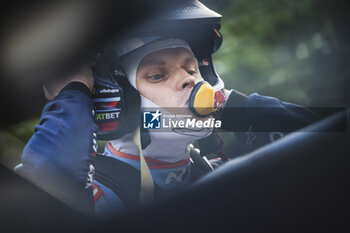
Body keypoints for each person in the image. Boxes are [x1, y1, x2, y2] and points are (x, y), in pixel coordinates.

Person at [14, 0, 319, 217]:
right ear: (120, 100)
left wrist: (229, 105)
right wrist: (73, 96)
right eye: (158, 75)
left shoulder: (214, 170)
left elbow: (325, 151)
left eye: (191, 69)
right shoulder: (101, 198)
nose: (189, 81)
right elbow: (39, 201)